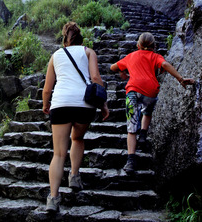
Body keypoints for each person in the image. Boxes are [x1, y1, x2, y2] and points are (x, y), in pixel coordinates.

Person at [42, 21, 109, 212]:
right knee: (78, 138)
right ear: (81, 38)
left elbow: (47, 88)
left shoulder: (55, 55)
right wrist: (104, 105)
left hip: (61, 104)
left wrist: (46, 105)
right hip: (83, 104)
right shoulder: (88, 52)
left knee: (58, 153)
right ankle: (74, 177)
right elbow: (96, 79)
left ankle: (53, 198)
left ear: (64, 40)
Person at [109, 32, 195, 174]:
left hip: (132, 91)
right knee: (147, 111)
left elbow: (113, 67)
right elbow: (165, 64)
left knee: (131, 127)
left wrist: (121, 72)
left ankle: (131, 160)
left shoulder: (131, 56)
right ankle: (143, 134)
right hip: (150, 92)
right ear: (154, 46)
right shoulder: (155, 56)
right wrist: (180, 79)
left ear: (138, 45)